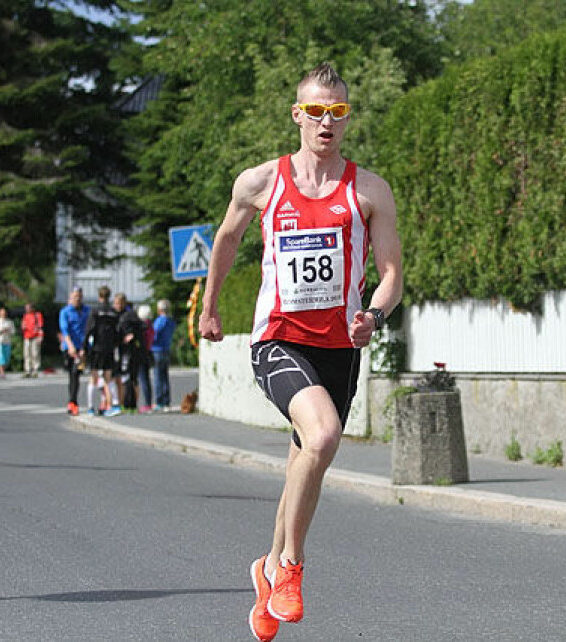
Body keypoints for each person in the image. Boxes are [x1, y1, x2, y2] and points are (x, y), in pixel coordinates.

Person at [198, 62, 403, 642]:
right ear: (297, 115)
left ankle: (266, 570)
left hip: (340, 347)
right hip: (279, 340)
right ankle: (290, 567)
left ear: (347, 118)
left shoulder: (369, 190)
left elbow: (391, 275)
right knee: (324, 435)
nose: (325, 122)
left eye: (336, 112)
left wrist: (373, 316)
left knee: (303, 465)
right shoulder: (260, 182)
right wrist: (209, 307)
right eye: (315, 111)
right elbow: (227, 238)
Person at [84, 285, 120, 417]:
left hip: (97, 348)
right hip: (109, 348)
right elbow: (117, 331)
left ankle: (90, 407)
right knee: (109, 378)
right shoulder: (113, 312)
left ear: (99, 296)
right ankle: (114, 404)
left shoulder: (95, 311)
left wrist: (84, 347)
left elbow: (89, 330)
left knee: (93, 378)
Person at [59, 286, 90, 416]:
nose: (77, 299)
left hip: (82, 347)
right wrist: (70, 346)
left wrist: (84, 348)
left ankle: (73, 402)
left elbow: (88, 329)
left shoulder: (86, 310)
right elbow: (65, 330)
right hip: (70, 347)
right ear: (70, 298)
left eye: (79, 297)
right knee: (72, 375)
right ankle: (72, 402)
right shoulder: (65, 312)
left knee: (76, 374)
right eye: (75, 297)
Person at [115, 293, 146, 412]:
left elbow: (143, 326)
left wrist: (133, 335)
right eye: (115, 303)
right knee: (121, 378)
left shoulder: (130, 314)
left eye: (119, 303)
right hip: (120, 349)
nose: (117, 305)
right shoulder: (115, 314)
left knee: (130, 378)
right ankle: (122, 403)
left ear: (124, 303)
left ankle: (132, 404)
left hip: (130, 351)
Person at [151, 299, 176, 413]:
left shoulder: (160, 321)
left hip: (157, 349)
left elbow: (154, 334)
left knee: (158, 376)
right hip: (166, 349)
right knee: (165, 376)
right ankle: (166, 401)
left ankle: (159, 401)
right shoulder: (170, 321)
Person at [136, 304, 154, 413]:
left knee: (143, 379)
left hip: (141, 354)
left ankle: (147, 403)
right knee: (146, 379)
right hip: (148, 353)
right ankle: (148, 402)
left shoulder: (142, 327)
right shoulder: (150, 325)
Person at [0, 307, 15, 379]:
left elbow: (13, 332)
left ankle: (3, 371)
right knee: (1, 357)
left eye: (4, 313)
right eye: (2, 313)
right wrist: (0, 331)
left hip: (7, 341)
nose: (3, 314)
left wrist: (8, 331)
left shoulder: (9, 322)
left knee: (6, 358)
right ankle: (2, 372)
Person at [21, 302, 44, 377]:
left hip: (35, 336)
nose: (27, 309)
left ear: (32, 308)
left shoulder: (37, 315)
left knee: (35, 353)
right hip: (27, 336)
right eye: (26, 308)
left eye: (28, 308)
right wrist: (23, 327)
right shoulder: (25, 316)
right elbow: (23, 325)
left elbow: (40, 327)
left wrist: (40, 336)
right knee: (27, 354)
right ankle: (27, 370)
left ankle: (35, 370)